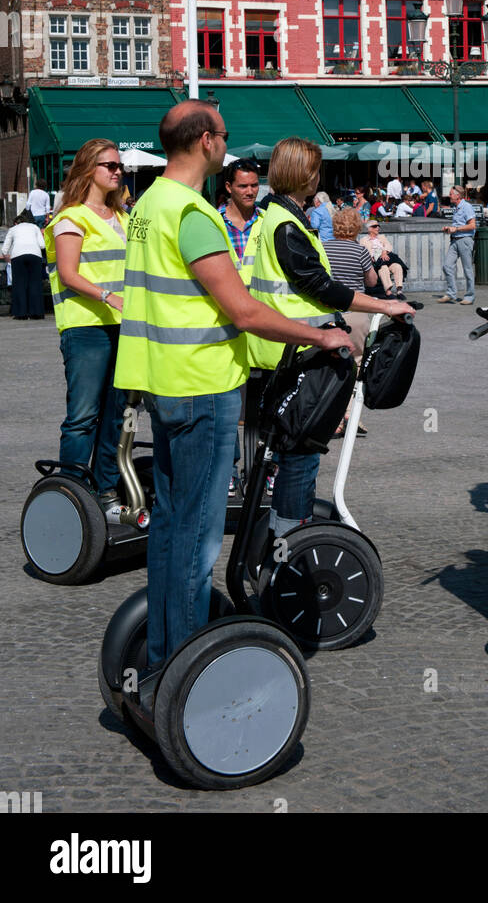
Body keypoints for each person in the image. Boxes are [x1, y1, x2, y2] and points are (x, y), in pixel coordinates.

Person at [114, 104, 354, 670]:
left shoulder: (147, 204)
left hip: (164, 382)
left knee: (170, 526)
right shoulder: (192, 215)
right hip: (203, 384)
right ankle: (188, 661)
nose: (228, 142)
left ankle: (166, 648)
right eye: (223, 133)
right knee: (197, 538)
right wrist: (320, 339)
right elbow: (243, 312)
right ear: (203, 142)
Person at [247, 139, 414, 538]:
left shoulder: (277, 217)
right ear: (305, 175)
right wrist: (384, 306)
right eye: (316, 170)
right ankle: (290, 539)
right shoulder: (286, 225)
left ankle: (284, 533)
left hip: (286, 349)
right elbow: (321, 286)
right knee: (300, 452)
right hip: (296, 353)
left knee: (292, 451)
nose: (319, 176)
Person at [44, 140, 128, 518]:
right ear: (87, 170)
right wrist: (109, 296)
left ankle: (106, 489)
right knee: (83, 415)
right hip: (85, 326)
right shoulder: (71, 218)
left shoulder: (123, 217)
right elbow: (68, 273)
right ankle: (72, 492)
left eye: (118, 165)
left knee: (117, 414)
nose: (116, 171)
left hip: (122, 326)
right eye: (108, 165)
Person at [218, 158, 262, 284]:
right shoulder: (214, 222)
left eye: (254, 185)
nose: (250, 192)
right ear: (228, 187)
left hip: (259, 300)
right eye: (243, 186)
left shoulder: (266, 220)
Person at [2, 210, 45, 319]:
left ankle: (21, 313)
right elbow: (42, 245)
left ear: (16, 223)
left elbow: (4, 249)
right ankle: (36, 312)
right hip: (35, 255)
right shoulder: (35, 227)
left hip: (18, 256)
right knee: (35, 283)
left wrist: (8, 254)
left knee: (19, 284)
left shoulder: (12, 229)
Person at [438, 186, 476, 304]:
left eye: (451, 194)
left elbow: (472, 225)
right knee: (447, 266)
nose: (449, 196)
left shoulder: (467, 207)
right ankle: (451, 293)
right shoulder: (457, 208)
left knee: (467, 269)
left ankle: (469, 296)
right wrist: (449, 229)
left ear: (458, 196)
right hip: (455, 240)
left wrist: (456, 229)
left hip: (464, 240)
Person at [360, 218, 406, 297]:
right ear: (369, 229)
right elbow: (363, 250)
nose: (377, 228)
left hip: (387, 258)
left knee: (397, 266)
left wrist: (384, 252)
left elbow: (389, 245)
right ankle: (388, 292)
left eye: (378, 226)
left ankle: (399, 290)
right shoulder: (364, 240)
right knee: (383, 268)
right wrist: (372, 256)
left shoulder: (382, 237)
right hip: (376, 262)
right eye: (375, 226)